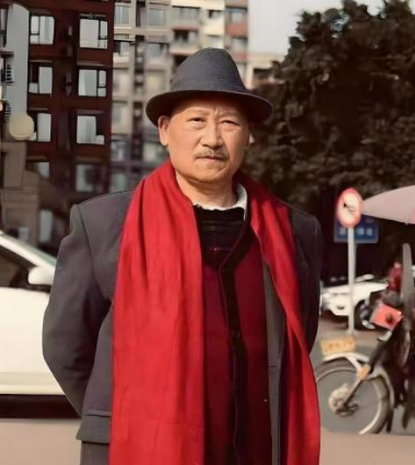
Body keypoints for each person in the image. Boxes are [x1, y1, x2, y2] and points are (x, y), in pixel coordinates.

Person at [43, 48, 323, 465]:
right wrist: (133, 418)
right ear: (164, 130)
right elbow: (65, 345)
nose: (212, 139)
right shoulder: (104, 224)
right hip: (136, 446)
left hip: (256, 450)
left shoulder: (294, 231)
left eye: (229, 123)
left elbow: (299, 335)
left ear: (249, 134)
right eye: (196, 121)